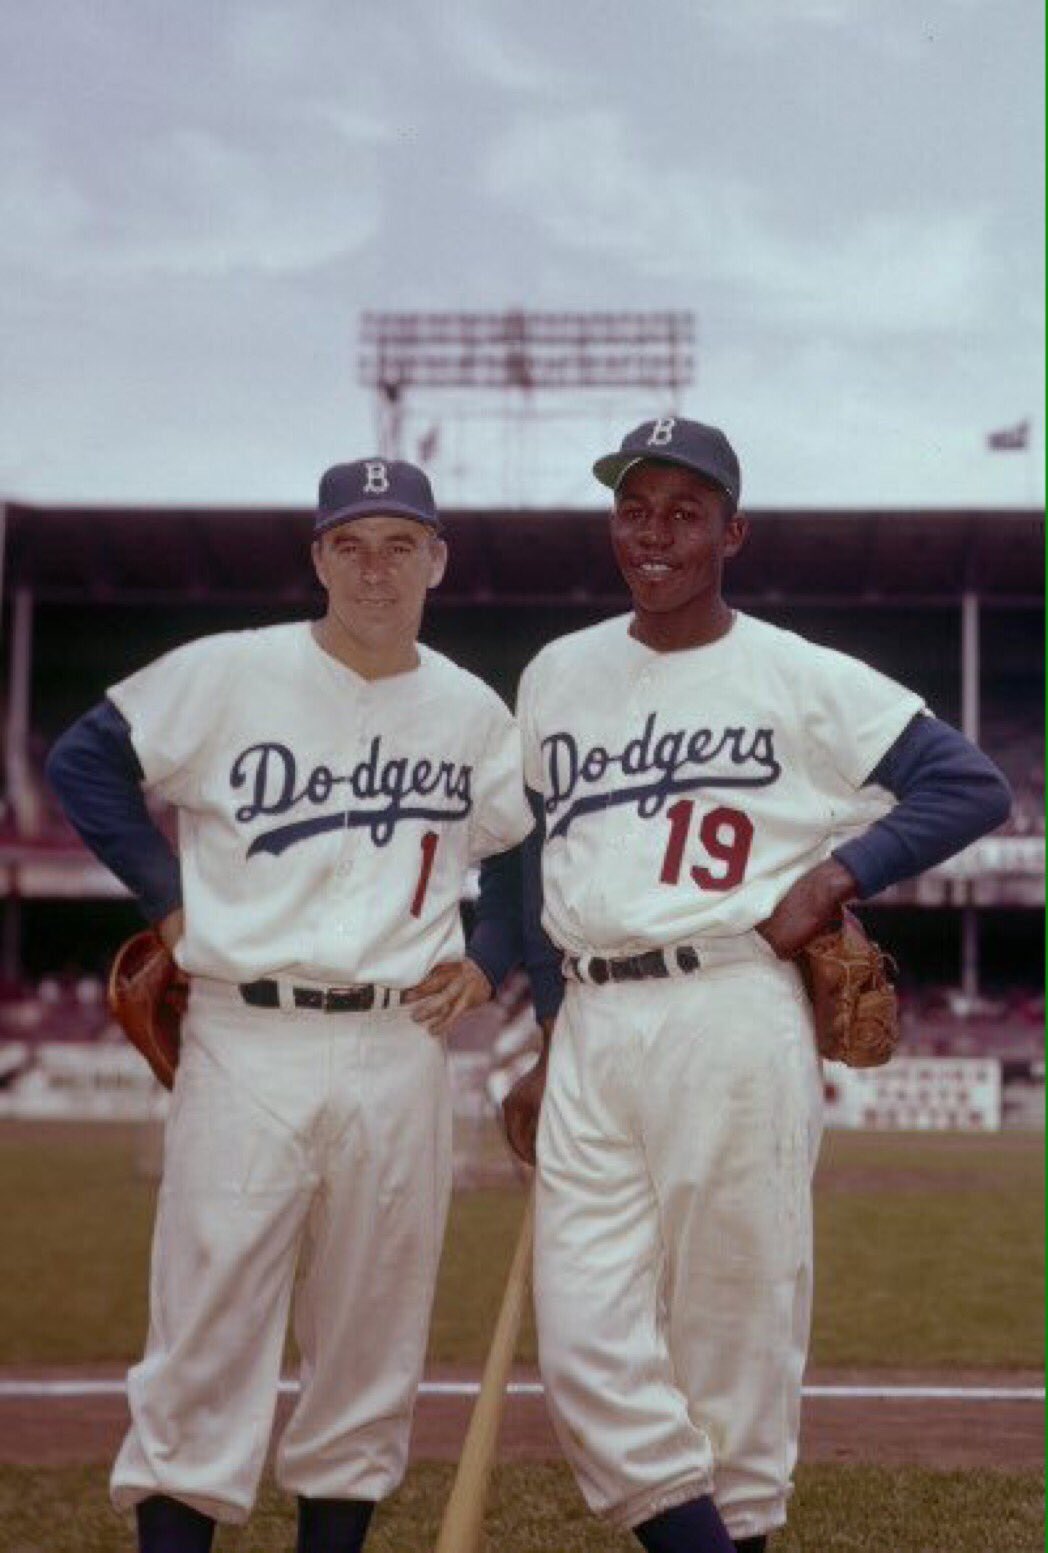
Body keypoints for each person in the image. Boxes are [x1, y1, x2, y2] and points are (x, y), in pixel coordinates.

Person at [497, 417, 1012, 1552]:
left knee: (733, 1337)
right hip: (589, 1012)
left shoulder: (795, 672)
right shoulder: (557, 672)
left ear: (733, 529)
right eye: (634, 507)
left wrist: (839, 871)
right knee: (583, 1346)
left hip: (727, 1003)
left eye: (686, 511)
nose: (654, 533)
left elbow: (967, 785)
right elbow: (543, 860)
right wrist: (545, 1033)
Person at [46, 457, 529, 1553]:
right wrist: (168, 899)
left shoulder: (466, 706)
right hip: (245, 1033)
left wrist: (491, 952)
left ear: (436, 560)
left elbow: (518, 842)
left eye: (399, 544)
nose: (374, 568)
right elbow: (87, 759)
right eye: (349, 544)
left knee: (370, 1337)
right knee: (207, 1330)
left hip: (398, 1040)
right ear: (316, 556)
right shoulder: (227, 672)